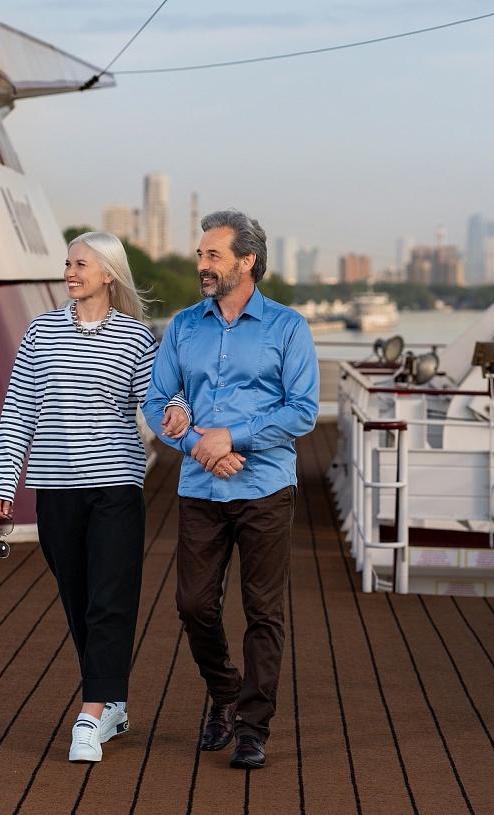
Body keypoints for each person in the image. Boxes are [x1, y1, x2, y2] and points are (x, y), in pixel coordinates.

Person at [0, 231, 178, 763]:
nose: (70, 272)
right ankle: (112, 700)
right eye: (68, 263)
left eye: (81, 264)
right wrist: (5, 480)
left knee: (109, 599)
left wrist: (185, 416)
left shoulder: (136, 337)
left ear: (108, 274)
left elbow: (156, 401)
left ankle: (89, 716)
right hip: (55, 488)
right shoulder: (41, 331)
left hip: (116, 485)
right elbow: (19, 408)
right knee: (79, 599)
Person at [143, 209, 319, 770]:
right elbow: (157, 400)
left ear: (247, 261)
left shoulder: (288, 327)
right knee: (193, 605)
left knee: (263, 611)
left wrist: (233, 436)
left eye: (213, 254)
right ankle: (225, 692)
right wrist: (201, 445)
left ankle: (251, 726)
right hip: (201, 487)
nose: (202, 263)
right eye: (201, 254)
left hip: (265, 488)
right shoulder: (183, 327)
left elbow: (303, 410)